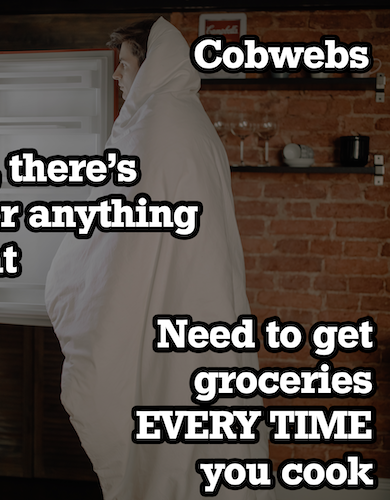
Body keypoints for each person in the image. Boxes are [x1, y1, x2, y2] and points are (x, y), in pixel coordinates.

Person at [45, 17, 274, 500]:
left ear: (150, 65)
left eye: (125, 61)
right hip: (203, 299)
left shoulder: (158, 124)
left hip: (169, 305)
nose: (117, 74)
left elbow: (119, 234)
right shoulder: (190, 119)